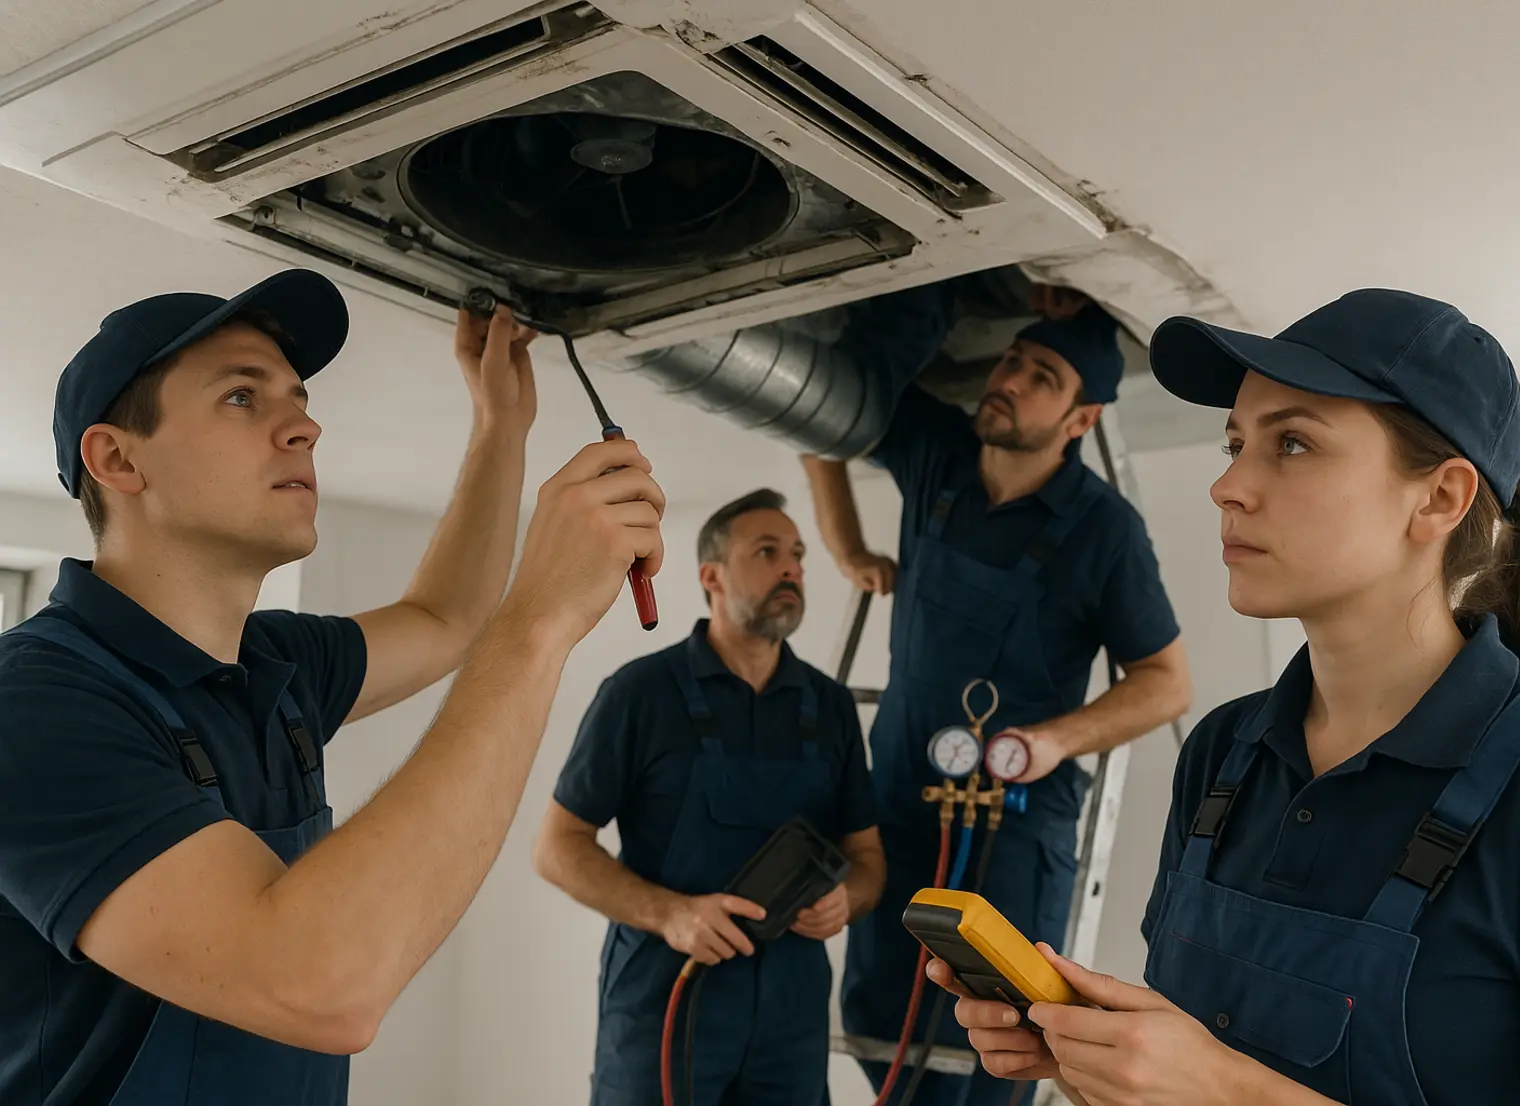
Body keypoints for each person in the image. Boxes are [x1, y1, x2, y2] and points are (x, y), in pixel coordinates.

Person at [936, 288, 1520, 1106]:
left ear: (1438, 498)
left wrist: (1227, 1090)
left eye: (1291, 443)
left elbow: (1214, 1088)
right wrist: (1095, 1058)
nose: (1227, 485)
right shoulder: (1221, 754)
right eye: (1234, 443)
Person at [0, 270, 665, 1106]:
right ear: (117, 458)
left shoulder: (275, 663)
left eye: (299, 399)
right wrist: (538, 622)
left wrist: (501, 424)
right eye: (241, 396)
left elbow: (445, 617)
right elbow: (317, 983)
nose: (305, 426)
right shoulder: (35, 704)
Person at [800, 282, 1193, 1105]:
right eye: (1012, 359)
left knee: (1006, 1036)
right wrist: (845, 548)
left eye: (1041, 377)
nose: (1008, 379)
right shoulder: (935, 450)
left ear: (1080, 420)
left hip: (1013, 822)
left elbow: (1165, 683)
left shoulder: (1103, 530)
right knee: (877, 1011)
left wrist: (1052, 741)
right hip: (897, 796)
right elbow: (817, 412)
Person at [534, 488, 886, 1106]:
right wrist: (672, 914)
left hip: (792, 1018)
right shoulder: (640, 694)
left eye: (798, 555)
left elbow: (868, 860)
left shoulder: (830, 706)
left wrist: (846, 900)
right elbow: (557, 849)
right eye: (768, 552)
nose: (791, 568)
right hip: (665, 1005)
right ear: (711, 577)